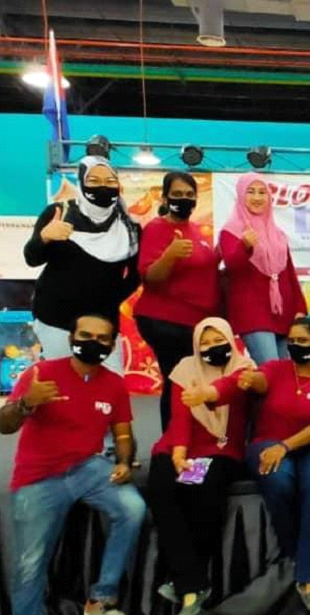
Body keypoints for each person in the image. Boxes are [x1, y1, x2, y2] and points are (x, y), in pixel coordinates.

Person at [0, 313, 145, 615]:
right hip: (38, 477)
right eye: (85, 335)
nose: (93, 342)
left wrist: (124, 462)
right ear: (72, 337)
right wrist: (27, 403)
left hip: (88, 468)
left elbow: (123, 433)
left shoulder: (114, 384)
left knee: (132, 508)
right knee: (29, 567)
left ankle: (101, 598)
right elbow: (4, 424)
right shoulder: (42, 374)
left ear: (112, 344)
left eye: (102, 337)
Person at [189, 318, 310, 614]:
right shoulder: (276, 369)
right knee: (279, 479)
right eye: (291, 341)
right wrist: (244, 382)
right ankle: (295, 552)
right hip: (266, 441)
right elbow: (255, 380)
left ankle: (309, 578)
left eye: (303, 341)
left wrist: (285, 447)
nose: (295, 346)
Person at [147, 318, 253, 615]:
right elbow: (180, 416)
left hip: (220, 449)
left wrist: (208, 393)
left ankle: (184, 582)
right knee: (161, 490)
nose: (211, 348)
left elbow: (232, 389)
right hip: (178, 446)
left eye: (217, 340)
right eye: (204, 343)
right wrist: (179, 454)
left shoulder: (244, 368)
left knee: (204, 493)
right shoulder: (185, 368)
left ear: (230, 340)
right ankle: (191, 583)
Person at [24, 156, 140, 374]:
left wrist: (109, 297)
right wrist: (45, 237)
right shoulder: (60, 213)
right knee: (61, 381)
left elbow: (136, 275)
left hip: (103, 323)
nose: (103, 186)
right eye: (94, 180)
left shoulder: (129, 226)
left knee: (110, 382)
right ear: (81, 182)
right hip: (56, 320)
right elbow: (32, 258)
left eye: (110, 181)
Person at [134, 172, 221, 431]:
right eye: (177, 194)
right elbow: (150, 277)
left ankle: (185, 439)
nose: (184, 199)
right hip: (165, 320)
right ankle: (172, 443)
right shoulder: (157, 228)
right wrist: (169, 256)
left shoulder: (196, 231)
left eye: (189, 195)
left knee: (191, 383)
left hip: (195, 322)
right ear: (165, 197)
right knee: (178, 382)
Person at [219, 173, 307, 365]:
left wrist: (300, 308)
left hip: (283, 313)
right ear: (241, 195)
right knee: (271, 368)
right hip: (252, 313)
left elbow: (289, 274)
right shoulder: (231, 230)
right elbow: (232, 266)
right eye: (251, 192)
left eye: (262, 192)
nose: (257, 197)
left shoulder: (277, 233)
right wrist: (245, 246)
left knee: (285, 371)